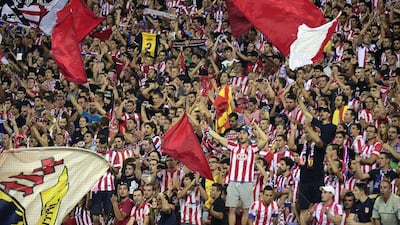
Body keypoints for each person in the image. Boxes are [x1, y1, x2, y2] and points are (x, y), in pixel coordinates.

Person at [204, 122, 269, 225]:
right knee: (231, 209)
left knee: (246, 210)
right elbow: (221, 139)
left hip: (247, 182)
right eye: (240, 133)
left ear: (249, 136)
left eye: (244, 133)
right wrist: (208, 130)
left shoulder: (253, 149)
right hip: (233, 182)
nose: (241, 135)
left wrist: (256, 126)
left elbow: (265, 139)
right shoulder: (234, 146)